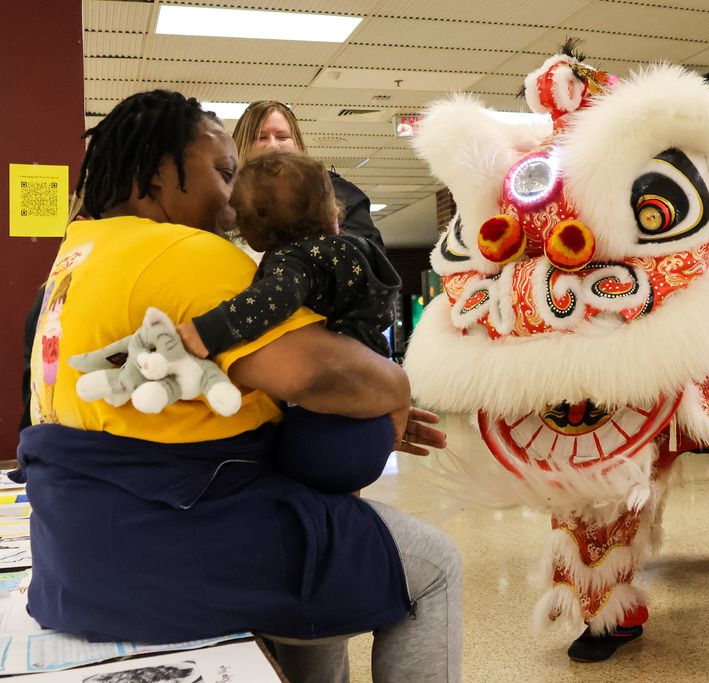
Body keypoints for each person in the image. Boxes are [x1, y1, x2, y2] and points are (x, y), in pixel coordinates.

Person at [17, 90, 462, 683]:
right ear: (158, 175)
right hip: (174, 543)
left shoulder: (79, 251)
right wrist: (392, 397)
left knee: (322, 564)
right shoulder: (186, 251)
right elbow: (332, 374)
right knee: (436, 564)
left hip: (77, 553)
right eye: (223, 173)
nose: (233, 201)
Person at [177, 148, 401, 494]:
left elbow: (272, 300)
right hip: (376, 417)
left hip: (321, 427)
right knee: (346, 501)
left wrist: (207, 331)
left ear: (253, 236)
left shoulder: (294, 261)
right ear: (333, 213)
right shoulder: (358, 251)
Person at [230, 100, 384, 251]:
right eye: (261, 137)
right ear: (243, 143)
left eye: (282, 137)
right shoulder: (227, 194)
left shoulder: (333, 189)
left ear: (297, 142)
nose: (272, 145)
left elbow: (370, 255)